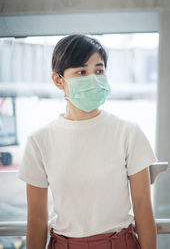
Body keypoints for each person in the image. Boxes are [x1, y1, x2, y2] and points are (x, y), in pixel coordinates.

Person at [18, 34, 158, 249]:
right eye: (81, 72)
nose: (93, 78)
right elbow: (36, 219)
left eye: (99, 71)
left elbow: (143, 208)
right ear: (58, 80)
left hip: (120, 243)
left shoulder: (128, 132)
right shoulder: (40, 141)